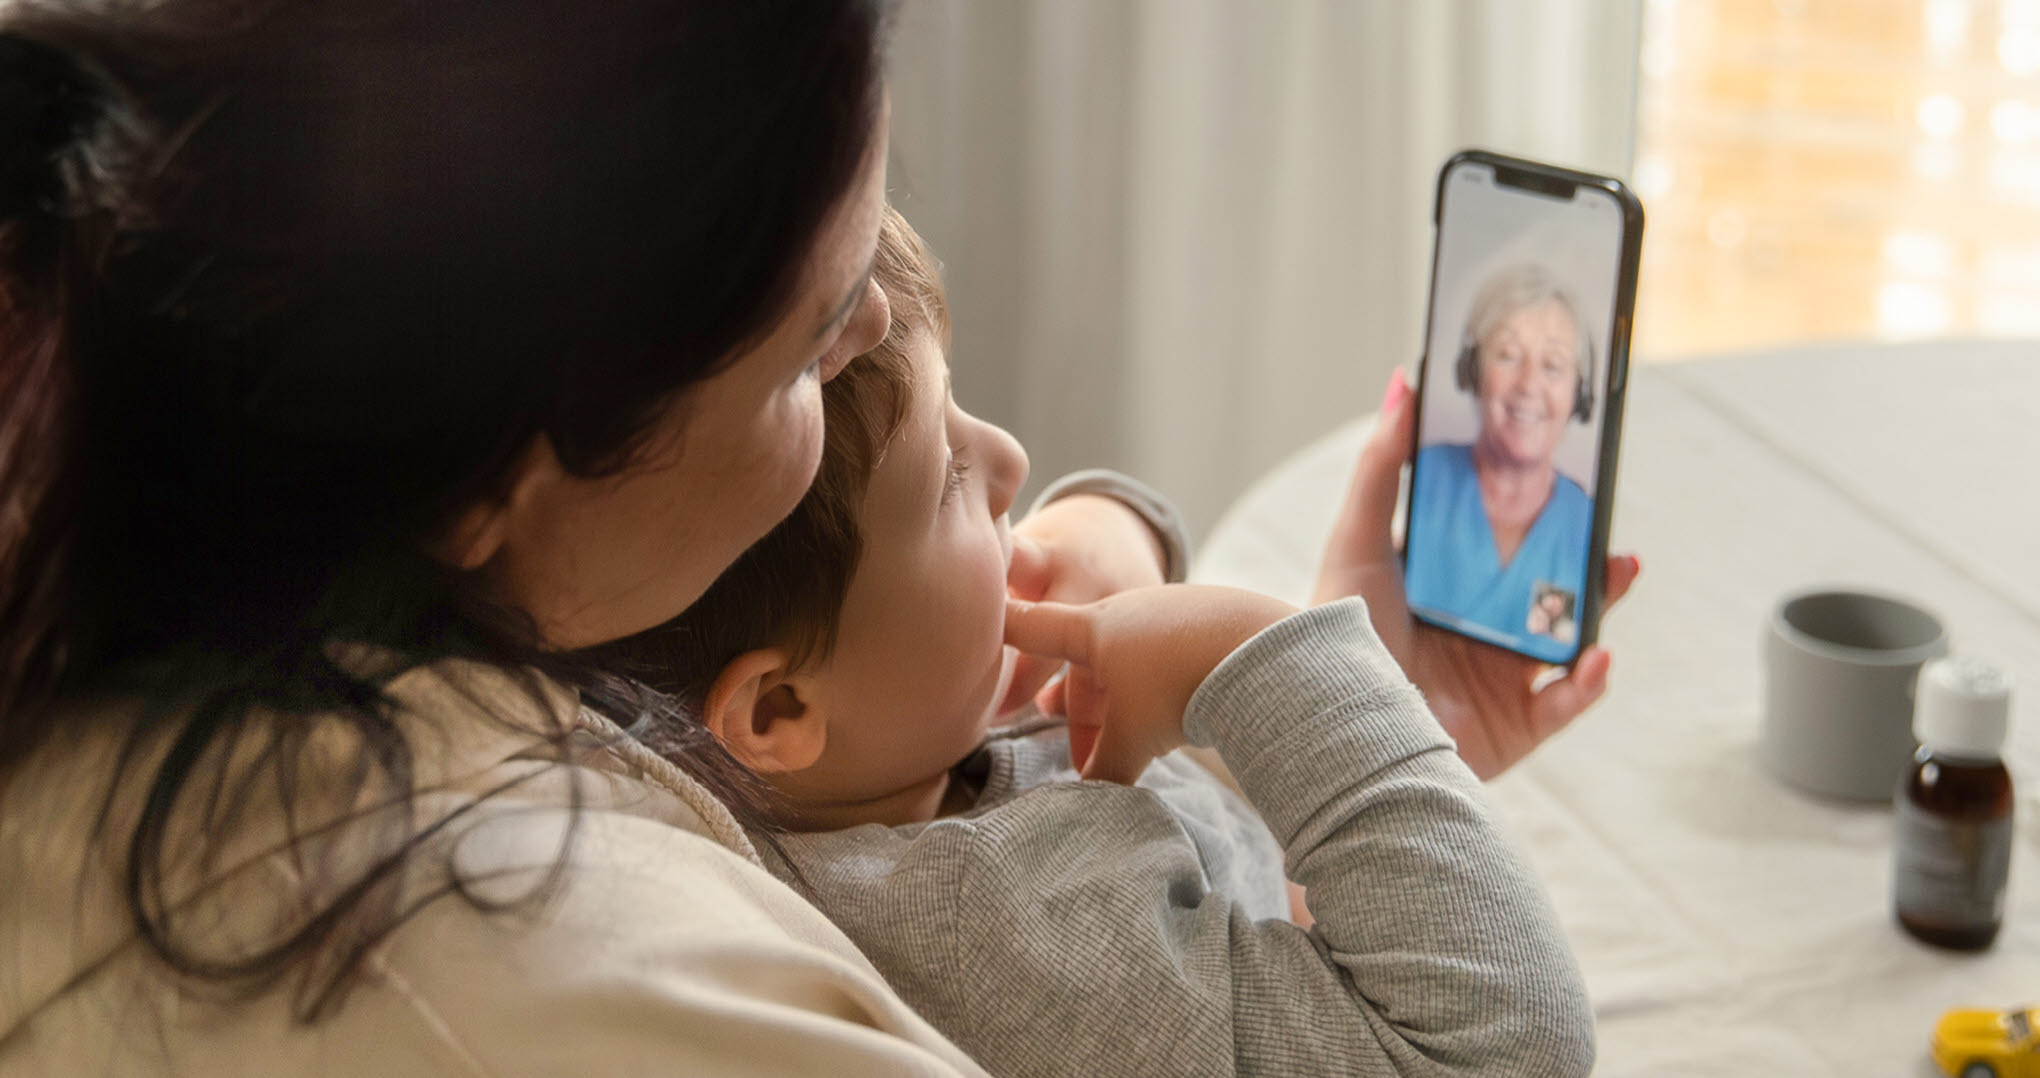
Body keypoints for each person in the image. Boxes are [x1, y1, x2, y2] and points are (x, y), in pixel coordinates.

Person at [0, 2, 1634, 1074]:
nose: (1011, 455)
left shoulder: (456, 605)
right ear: (503, 468)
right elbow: (1497, 1046)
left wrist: (1312, 710)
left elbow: (1171, 929)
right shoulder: (738, 978)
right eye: (812, 352)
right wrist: (1271, 665)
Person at [599, 207, 1596, 1078]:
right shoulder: (1005, 937)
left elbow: (1228, 974)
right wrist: (1257, 650)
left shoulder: (878, 741)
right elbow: (1510, 1045)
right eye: (948, 472)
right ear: (778, 708)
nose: (1013, 458)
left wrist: (1106, 529)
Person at [1404, 263, 1604, 664]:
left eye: (1552, 365)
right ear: (1472, 369)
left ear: (1578, 396)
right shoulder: (1427, 478)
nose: (1528, 384)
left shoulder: (1583, 525)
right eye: (1508, 355)